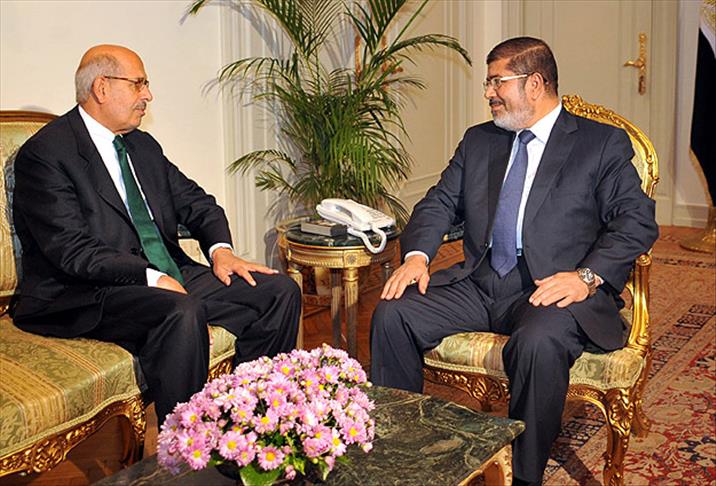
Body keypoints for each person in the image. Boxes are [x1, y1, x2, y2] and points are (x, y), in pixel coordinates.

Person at [370, 37, 658, 485]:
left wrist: (586, 277)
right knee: (393, 313)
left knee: (537, 343)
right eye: (489, 83)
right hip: (481, 281)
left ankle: (524, 477)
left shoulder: (600, 144)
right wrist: (416, 256)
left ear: (535, 84)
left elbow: (636, 222)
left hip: (552, 288)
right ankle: (402, 459)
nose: (488, 93)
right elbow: (438, 203)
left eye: (496, 82)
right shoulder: (480, 140)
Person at [10, 45, 301, 426]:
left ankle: (249, 424)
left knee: (277, 291)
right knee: (180, 311)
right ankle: (187, 444)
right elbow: (72, 250)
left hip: (161, 270)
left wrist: (221, 251)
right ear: (102, 87)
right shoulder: (47, 154)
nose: (148, 94)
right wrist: (152, 277)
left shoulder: (141, 145)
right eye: (138, 84)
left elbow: (197, 203)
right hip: (85, 291)